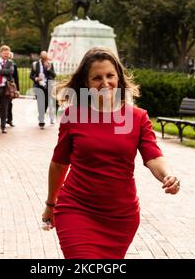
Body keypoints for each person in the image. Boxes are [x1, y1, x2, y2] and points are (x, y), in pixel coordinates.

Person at [41, 47, 180, 259]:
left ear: (119, 78)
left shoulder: (138, 117)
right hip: (76, 209)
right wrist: (51, 203)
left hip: (120, 218)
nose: (105, 83)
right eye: (97, 78)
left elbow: (153, 156)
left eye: (110, 76)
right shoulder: (73, 115)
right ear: (86, 84)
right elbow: (59, 163)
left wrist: (168, 175)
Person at [30, 51, 57, 129]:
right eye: (43, 58)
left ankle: (41, 116)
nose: (45, 60)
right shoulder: (35, 65)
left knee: (45, 103)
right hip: (38, 86)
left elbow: (54, 75)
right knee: (40, 103)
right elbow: (31, 75)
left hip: (48, 86)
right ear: (40, 58)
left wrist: (48, 69)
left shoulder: (50, 64)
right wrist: (36, 78)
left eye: (46, 58)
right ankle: (41, 120)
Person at [7, 51, 19, 127]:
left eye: (10, 56)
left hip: (10, 86)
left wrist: (17, 89)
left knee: (9, 103)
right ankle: (4, 117)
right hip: (3, 86)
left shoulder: (14, 65)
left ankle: (9, 119)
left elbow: (16, 77)